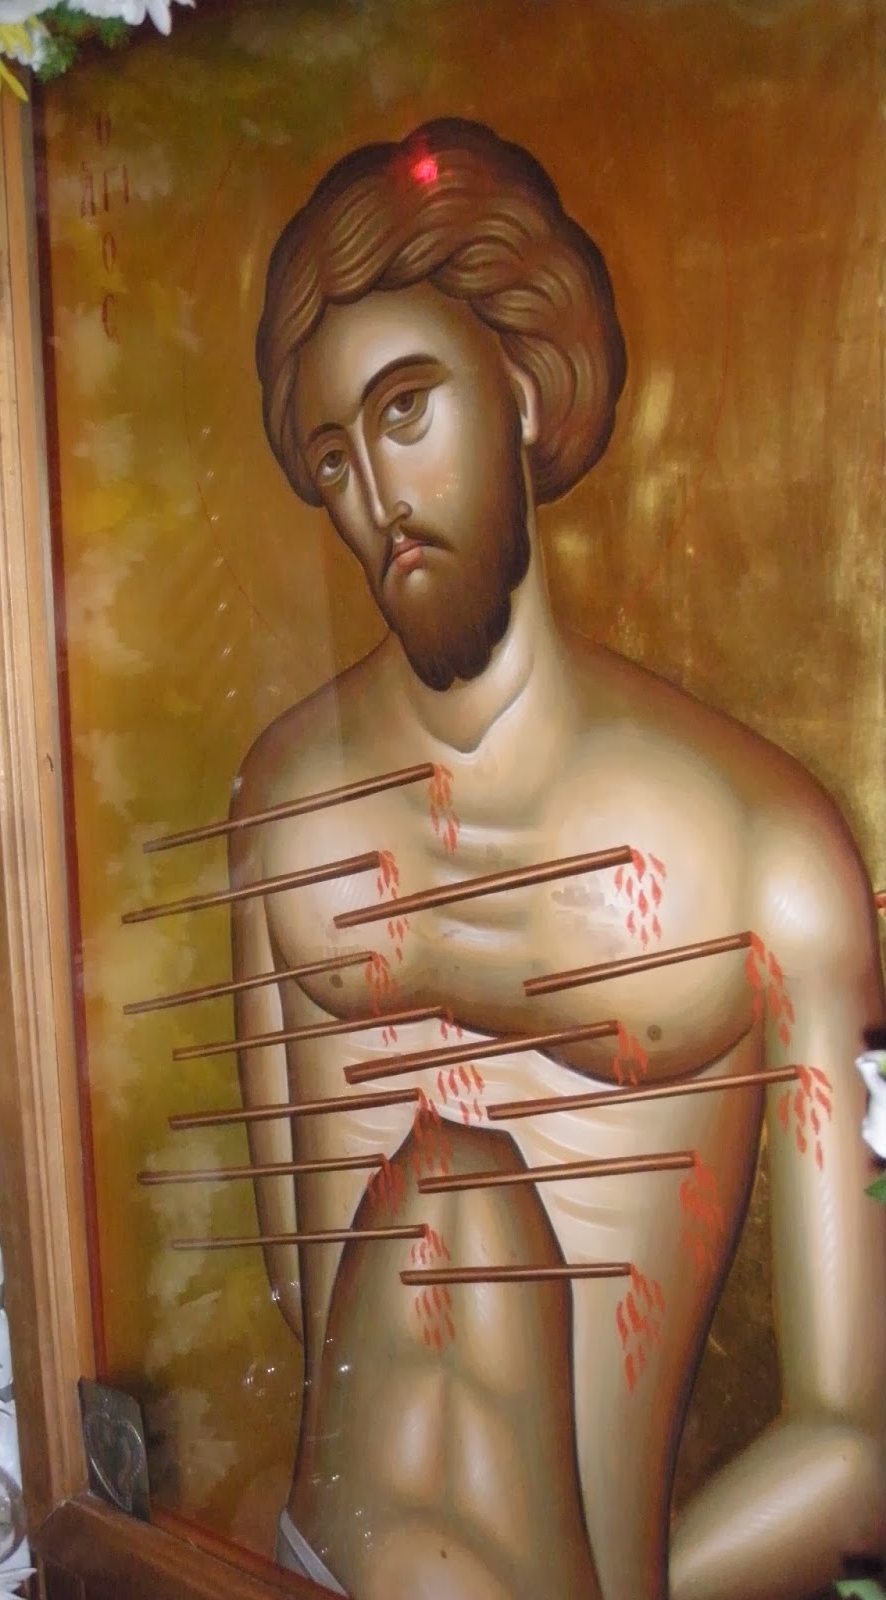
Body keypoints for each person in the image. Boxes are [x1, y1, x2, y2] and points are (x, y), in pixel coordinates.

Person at [226, 118, 886, 1600]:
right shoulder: (281, 800)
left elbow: (860, 1446)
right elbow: (291, 1293)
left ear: (520, 390)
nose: (376, 496)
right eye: (332, 458)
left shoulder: (768, 848)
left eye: (407, 410)